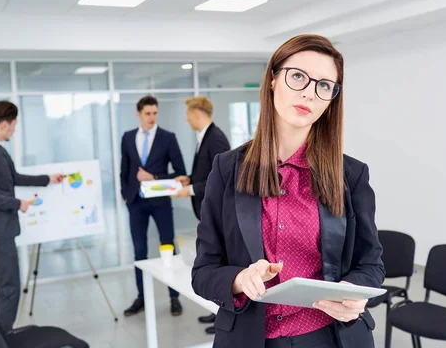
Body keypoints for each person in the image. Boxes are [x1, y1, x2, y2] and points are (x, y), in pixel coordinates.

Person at [191, 34, 385, 347]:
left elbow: (371, 264)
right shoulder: (227, 169)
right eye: (298, 77)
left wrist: (353, 294)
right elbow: (203, 273)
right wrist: (241, 280)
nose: (309, 94)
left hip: (331, 337)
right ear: (272, 80)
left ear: (332, 97)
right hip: (251, 338)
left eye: (324, 85)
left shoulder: (351, 175)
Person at [0, 101, 65, 332]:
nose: (14, 129)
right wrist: (17, 203)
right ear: (4, 124)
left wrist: (47, 178)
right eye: (14, 125)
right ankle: (2, 340)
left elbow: (14, 178)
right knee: (10, 287)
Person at [120, 95, 186, 317]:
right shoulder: (128, 138)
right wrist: (125, 196)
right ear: (138, 114)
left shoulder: (168, 138)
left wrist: (154, 177)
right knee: (139, 251)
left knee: (168, 246)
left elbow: (180, 172)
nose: (152, 117)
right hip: (136, 202)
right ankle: (142, 298)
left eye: (155, 113)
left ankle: (174, 297)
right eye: (147, 113)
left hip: (160, 202)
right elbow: (124, 169)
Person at [174, 96, 230, 334]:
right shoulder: (204, 136)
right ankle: (217, 310)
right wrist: (189, 178)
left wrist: (192, 189)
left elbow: (222, 176)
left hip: (218, 211)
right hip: (206, 209)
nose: (186, 119)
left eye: (188, 114)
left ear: (197, 114)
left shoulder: (215, 138)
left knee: (220, 263)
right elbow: (206, 171)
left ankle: (223, 317)